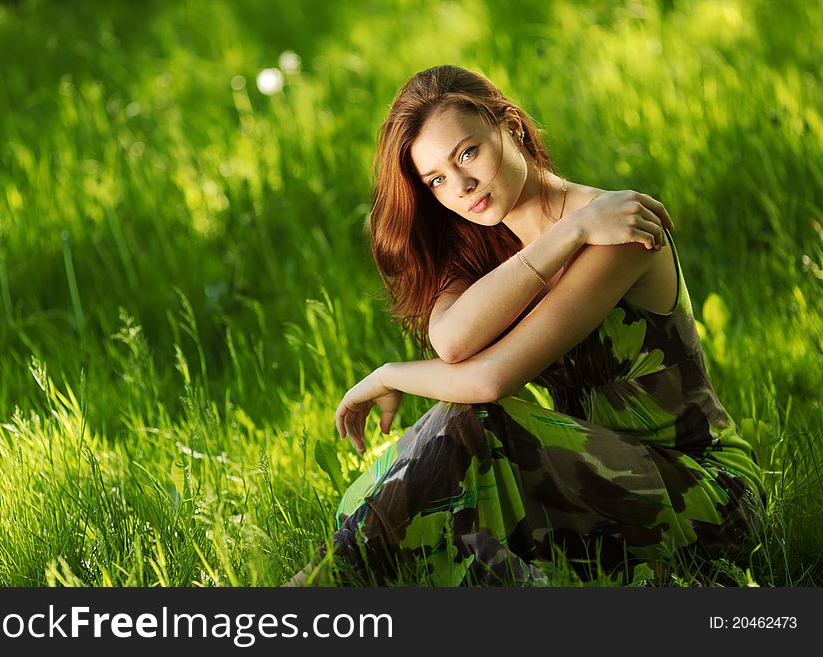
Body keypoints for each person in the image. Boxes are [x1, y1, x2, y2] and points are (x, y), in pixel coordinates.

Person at [286, 65, 765, 587]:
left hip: (701, 495)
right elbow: (452, 341)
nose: (462, 187)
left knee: (478, 421)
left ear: (510, 126)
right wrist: (567, 234)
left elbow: (490, 383)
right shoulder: (484, 243)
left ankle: (313, 592)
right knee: (460, 526)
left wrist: (387, 375)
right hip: (587, 489)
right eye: (438, 180)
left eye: (468, 153)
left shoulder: (619, 227)